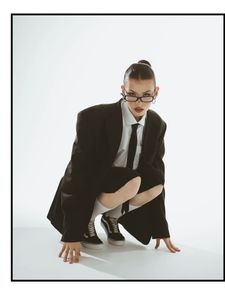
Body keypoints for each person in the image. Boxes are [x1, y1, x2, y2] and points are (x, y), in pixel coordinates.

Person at [47, 59, 181, 264]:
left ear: (156, 92)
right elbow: (78, 172)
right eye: (131, 94)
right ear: (122, 89)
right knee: (133, 180)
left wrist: (160, 228)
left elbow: (155, 170)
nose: (138, 103)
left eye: (146, 96)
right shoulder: (93, 118)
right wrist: (72, 231)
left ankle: (111, 218)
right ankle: (87, 221)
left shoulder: (157, 124)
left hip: (125, 183)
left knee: (156, 182)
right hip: (90, 186)